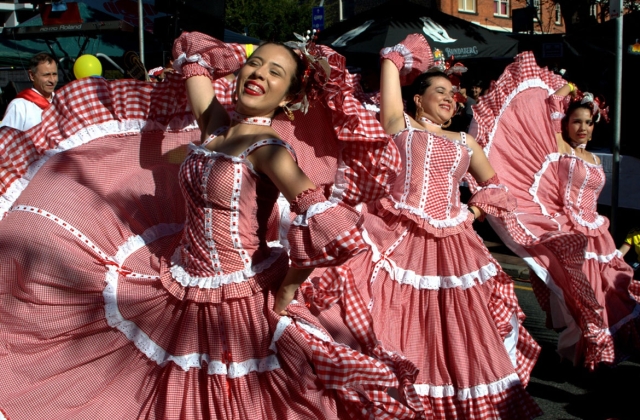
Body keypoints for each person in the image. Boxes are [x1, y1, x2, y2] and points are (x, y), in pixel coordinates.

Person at [0, 33, 418, 419]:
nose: (259, 74)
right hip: (183, 285)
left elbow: (331, 229)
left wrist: (288, 288)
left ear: (289, 97)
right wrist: (236, 53)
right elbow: (195, 60)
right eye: (255, 65)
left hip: (239, 297)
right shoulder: (215, 128)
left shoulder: (269, 149)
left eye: (276, 72)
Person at [313, 34, 542, 419]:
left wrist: (471, 213)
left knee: (457, 327)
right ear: (417, 100)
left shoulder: (466, 141)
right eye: (439, 90)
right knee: (396, 315)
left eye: (452, 93)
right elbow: (390, 76)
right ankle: (402, 399)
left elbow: (496, 187)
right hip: (399, 234)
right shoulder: (399, 124)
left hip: (455, 243)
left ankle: (456, 406)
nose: (449, 97)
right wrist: (402, 56)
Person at [472, 51, 640, 371]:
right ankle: (584, 357)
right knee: (585, 298)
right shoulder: (559, 150)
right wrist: (571, 89)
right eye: (576, 121)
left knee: (611, 296)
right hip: (573, 233)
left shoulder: (594, 160)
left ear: (594, 127)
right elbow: (549, 108)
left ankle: (603, 354)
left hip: (600, 235)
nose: (581, 127)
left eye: (587, 123)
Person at [0, 52, 57, 130]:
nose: (52, 80)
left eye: (54, 74)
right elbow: (7, 140)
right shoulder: (19, 106)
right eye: (46, 75)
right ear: (32, 75)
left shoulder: (63, 103)